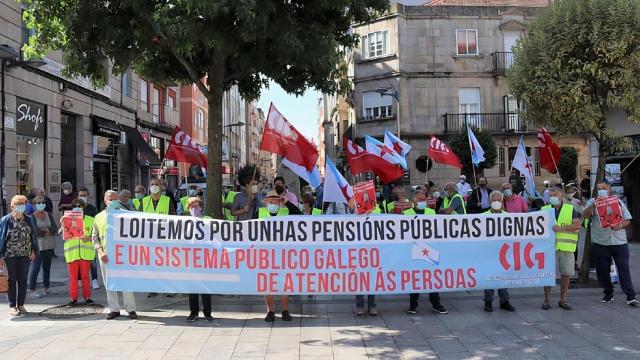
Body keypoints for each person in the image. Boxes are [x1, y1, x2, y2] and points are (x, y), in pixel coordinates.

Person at [582, 182, 638, 306]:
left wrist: (620, 226)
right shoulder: (592, 202)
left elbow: (627, 220)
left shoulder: (617, 201)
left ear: (609, 189)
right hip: (601, 242)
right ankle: (608, 293)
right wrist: (595, 204)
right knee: (602, 271)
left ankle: (630, 296)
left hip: (619, 242)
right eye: (599, 189)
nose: (602, 190)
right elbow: (585, 215)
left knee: (624, 269)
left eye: (604, 188)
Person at [93, 190, 137, 320]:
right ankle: (114, 309)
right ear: (105, 201)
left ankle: (131, 309)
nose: (112, 201)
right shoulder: (99, 217)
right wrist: (100, 251)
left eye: (114, 199)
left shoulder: (125, 215)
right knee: (109, 283)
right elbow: (95, 237)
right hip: (106, 255)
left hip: (122, 255)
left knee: (126, 282)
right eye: (109, 199)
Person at [259, 195, 302, 321]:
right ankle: (270, 311)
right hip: (265, 255)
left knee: (284, 284)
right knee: (267, 285)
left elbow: (300, 216)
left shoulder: (286, 212)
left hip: (283, 255)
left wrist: (287, 203)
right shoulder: (260, 212)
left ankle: (285, 311)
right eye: (270, 201)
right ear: (266, 203)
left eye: (275, 201)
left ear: (279, 202)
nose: (272, 203)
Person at [405, 189, 448, 315]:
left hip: (429, 249)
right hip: (413, 250)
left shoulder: (431, 212)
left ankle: (436, 304)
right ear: (413, 200)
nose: (423, 201)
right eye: (420, 199)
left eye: (424, 199)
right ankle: (413, 305)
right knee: (415, 278)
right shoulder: (406, 213)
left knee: (432, 278)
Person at [541, 187, 581, 310]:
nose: (552, 197)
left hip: (566, 247)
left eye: (555, 195)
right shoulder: (544, 209)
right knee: (547, 274)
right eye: (551, 195)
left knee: (566, 274)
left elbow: (577, 225)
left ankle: (563, 300)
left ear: (561, 196)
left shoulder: (570, 209)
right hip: (549, 247)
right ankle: (547, 300)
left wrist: (562, 228)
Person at [0, 195, 39, 317]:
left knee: (22, 280)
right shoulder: (6, 220)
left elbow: (32, 236)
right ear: (12, 206)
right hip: (9, 255)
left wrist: (33, 250)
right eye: (19, 204)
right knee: (11, 280)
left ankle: (21, 304)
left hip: (25, 255)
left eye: (23, 204)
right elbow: (1, 237)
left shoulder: (28, 219)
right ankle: (12, 306)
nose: (21, 207)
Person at [482, 191, 516, 312]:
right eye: (494, 200)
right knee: (489, 278)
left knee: (504, 277)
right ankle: (488, 302)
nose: (496, 202)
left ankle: (504, 301)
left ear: (502, 202)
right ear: (490, 201)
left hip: (504, 252)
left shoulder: (509, 216)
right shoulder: (482, 217)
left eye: (499, 200)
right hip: (489, 252)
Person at [141, 179, 176, 298]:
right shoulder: (144, 201)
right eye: (152, 184)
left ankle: (170, 288)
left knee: (167, 265)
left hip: (165, 238)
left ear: (162, 187)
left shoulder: (167, 200)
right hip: (149, 239)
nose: (154, 186)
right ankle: (153, 288)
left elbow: (173, 218)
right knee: (152, 265)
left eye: (157, 184)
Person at [184, 197, 214, 322]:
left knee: (206, 287)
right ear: (188, 209)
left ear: (201, 208)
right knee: (192, 287)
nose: (195, 209)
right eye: (192, 207)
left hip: (205, 258)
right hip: (191, 259)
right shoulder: (184, 222)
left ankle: (207, 313)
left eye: (196, 207)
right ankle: (193, 312)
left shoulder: (208, 220)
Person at [61, 198, 94, 307]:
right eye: (74, 206)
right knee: (73, 277)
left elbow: (96, 236)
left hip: (85, 253)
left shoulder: (90, 220)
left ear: (83, 207)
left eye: (79, 206)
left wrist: (88, 238)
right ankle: (73, 298)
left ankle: (87, 297)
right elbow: (62, 233)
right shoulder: (67, 219)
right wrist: (62, 224)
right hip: (72, 252)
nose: (77, 208)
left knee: (85, 276)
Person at [27, 195, 58, 299]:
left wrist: (47, 230)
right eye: (38, 203)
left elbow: (54, 228)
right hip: (37, 246)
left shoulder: (49, 214)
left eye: (42, 203)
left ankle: (46, 287)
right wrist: (46, 231)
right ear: (35, 205)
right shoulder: (31, 217)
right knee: (35, 267)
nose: (41, 205)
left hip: (49, 245)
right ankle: (32, 289)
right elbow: (36, 232)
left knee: (47, 267)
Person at [77, 186, 100, 290]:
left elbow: (97, 224)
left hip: (89, 239)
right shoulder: (75, 208)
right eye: (81, 195)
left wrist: (91, 237)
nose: (82, 197)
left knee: (92, 261)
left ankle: (94, 279)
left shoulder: (92, 209)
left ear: (88, 196)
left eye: (84, 195)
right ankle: (80, 280)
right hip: (77, 241)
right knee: (78, 260)